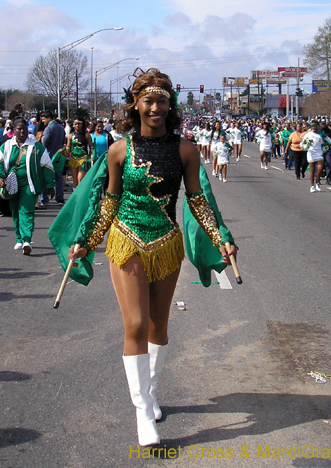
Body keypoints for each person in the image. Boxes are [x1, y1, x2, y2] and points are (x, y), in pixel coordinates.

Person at [64, 68, 237, 447]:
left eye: (162, 100)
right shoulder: (119, 150)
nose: (155, 107)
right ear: (136, 105)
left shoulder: (185, 149)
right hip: (126, 241)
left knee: (159, 326)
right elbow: (108, 202)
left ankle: (152, 391)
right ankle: (142, 410)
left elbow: (196, 200)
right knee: (137, 325)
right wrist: (88, 238)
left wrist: (220, 237)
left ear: (169, 104)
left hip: (167, 245)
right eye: (148, 100)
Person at [0, 117, 56, 255]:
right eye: (19, 129)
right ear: (14, 130)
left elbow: (46, 167)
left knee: (25, 211)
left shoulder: (37, 147)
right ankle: (19, 239)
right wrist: (0, 177)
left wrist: (50, 185)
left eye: (24, 129)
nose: (22, 132)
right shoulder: (6, 146)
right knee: (15, 211)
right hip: (12, 184)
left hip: (30, 184)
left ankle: (27, 240)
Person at [40, 111, 66, 205]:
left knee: (45, 177)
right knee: (58, 177)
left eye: (43, 119)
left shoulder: (48, 129)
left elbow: (45, 144)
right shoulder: (61, 128)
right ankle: (60, 198)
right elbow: (64, 141)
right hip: (58, 156)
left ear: (48, 118)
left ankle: (44, 199)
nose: (42, 121)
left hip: (48, 156)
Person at [65, 119, 92, 188]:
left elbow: (92, 147)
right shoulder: (71, 136)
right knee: (75, 181)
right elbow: (68, 148)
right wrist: (64, 152)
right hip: (73, 159)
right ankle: (75, 197)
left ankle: (81, 196)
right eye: (75, 124)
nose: (77, 126)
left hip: (84, 158)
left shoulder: (86, 135)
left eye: (79, 124)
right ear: (73, 125)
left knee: (80, 179)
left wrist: (91, 157)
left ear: (82, 125)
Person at [301, 121, 325, 192]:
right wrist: (305, 146)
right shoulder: (308, 134)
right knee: (312, 170)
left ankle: (317, 182)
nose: (314, 128)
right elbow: (303, 142)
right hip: (311, 153)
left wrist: (323, 144)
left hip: (319, 153)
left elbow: (330, 141)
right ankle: (312, 186)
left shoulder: (321, 134)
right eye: (312, 127)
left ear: (317, 127)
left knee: (320, 168)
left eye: (315, 126)